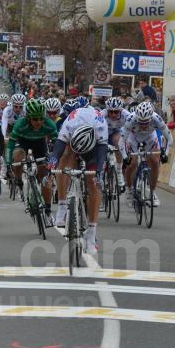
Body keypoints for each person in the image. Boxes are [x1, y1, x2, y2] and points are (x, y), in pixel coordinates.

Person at [51, 104, 109, 254]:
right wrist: (52, 162)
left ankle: (91, 233)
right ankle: (62, 206)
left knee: (93, 183)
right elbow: (59, 144)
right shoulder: (70, 123)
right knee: (64, 157)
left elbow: (102, 150)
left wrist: (99, 171)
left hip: (94, 149)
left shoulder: (100, 124)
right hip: (72, 144)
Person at [6, 99, 58, 226]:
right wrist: (8, 164)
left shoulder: (49, 124)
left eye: (41, 118)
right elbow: (10, 145)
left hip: (40, 144)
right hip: (22, 141)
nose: (38, 122)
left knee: (45, 177)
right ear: (28, 118)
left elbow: (58, 148)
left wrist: (51, 164)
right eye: (35, 119)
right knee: (18, 156)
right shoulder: (20, 124)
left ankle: (47, 210)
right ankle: (18, 179)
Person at [120, 101, 171, 208]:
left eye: (146, 122)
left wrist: (165, 154)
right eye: (141, 122)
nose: (143, 125)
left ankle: (152, 193)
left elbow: (169, 138)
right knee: (132, 163)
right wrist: (125, 157)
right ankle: (129, 190)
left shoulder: (156, 118)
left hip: (150, 137)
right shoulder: (131, 119)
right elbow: (122, 141)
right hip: (133, 138)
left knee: (155, 162)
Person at [102, 97, 132, 191]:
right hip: (104, 133)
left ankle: (119, 171)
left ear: (121, 110)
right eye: (111, 112)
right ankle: (101, 173)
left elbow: (134, 127)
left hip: (117, 133)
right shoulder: (102, 114)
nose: (113, 114)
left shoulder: (126, 115)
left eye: (116, 112)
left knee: (119, 142)